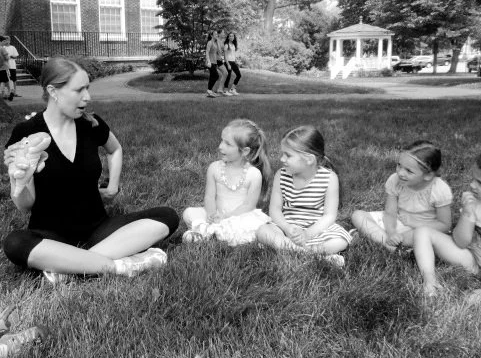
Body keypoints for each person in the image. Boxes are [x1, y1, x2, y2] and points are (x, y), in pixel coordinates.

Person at [3, 58, 179, 283]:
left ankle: (69, 266)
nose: (87, 96)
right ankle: (117, 265)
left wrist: (113, 185)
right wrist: (19, 184)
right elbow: (24, 205)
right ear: (53, 91)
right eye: (79, 90)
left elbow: (115, 150)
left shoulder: (91, 124)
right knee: (15, 243)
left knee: (166, 216)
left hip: (98, 229)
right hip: (51, 236)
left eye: (88, 88)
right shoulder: (27, 133)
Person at [256, 125, 352, 267]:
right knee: (263, 231)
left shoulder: (329, 178)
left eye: (288, 155)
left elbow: (329, 216)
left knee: (341, 240)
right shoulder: (281, 176)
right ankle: (311, 254)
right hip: (287, 226)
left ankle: (291, 249)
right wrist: (287, 228)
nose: (282, 159)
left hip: (316, 228)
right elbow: (275, 210)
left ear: (309, 159)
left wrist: (308, 234)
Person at [351, 140, 452, 252]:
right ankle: (391, 245)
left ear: (428, 175)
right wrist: (392, 232)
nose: (400, 173)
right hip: (396, 221)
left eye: (409, 171)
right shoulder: (395, 180)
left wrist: (415, 224)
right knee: (358, 215)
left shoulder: (439, 190)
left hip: (423, 228)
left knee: (421, 235)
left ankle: (375, 237)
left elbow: (445, 225)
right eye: (399, 165)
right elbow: (390, 212)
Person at [182, 118, 271, 246]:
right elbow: (209, 196)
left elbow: (248, 206)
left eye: (228, 144)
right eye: (221, 140)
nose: (220, 146)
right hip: (217, 213)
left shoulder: (253, 174)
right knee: (189, 213)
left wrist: (226, 217)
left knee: (247, 227)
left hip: (239, 216)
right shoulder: (214, 168)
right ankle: (211, 230)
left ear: (245, 151)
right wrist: (211, 214)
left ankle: (205, 233)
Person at [414, 154, 481, 296]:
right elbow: (460, 242)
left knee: (471, 300)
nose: (472, 185)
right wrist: (468, 213)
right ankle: (430, 282)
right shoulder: (474, 204)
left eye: (480, 182)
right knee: (422, 232)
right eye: (473, 179)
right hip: (472, 260)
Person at [0, 35, 13, 101]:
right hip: (4, 67)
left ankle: (8, 93)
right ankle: (8, 93)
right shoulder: (2, 48)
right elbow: (7, 57)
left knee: (3, 81)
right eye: (4, 41)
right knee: (5, 80)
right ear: (1, 41)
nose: (5, 42)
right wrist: (9, 57)